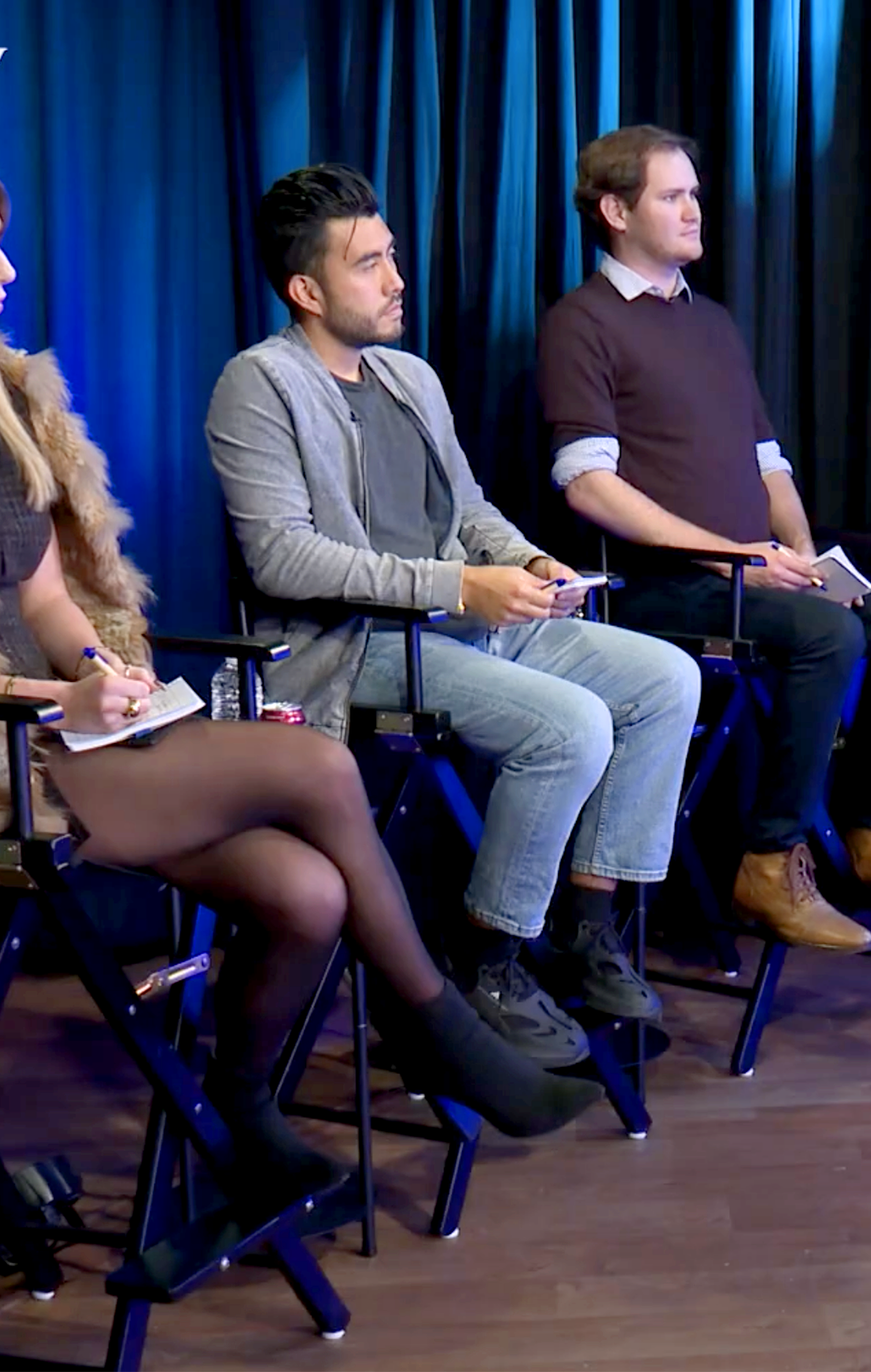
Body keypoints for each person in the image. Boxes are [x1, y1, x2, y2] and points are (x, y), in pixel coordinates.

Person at [0, 140, 597, 1210]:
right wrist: (57, 699)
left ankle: (242, 1115)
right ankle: (434, 1021)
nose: (6, 269)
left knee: (309, 893)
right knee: (317, 767)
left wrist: (97, 669)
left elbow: (44, 599)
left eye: (0, 243)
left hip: (58, 729)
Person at [208, 164, 700, 1068]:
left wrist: (526, 561)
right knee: (571, 726)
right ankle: (488, 962)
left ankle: (585, 931)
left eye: (392, 256)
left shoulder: (410, 377)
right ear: (306, 290)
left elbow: (468, 511)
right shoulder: (260, 383)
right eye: (369, 265)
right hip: (354, 648)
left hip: (461, 626)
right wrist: (458, 587)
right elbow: (283, 558)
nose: (397, 280)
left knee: (667, 678)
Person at [539, 125, 871, 951]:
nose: (694, 209)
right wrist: (735, 557)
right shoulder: (581, 322)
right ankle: (770, 862)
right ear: (616, 211)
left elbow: (767, 461)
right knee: (826, 635)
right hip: (662, 587)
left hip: (758, 576)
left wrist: (803, 555)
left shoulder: (713, 323)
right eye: (673, 196)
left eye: (694, 193)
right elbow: (587, 484)